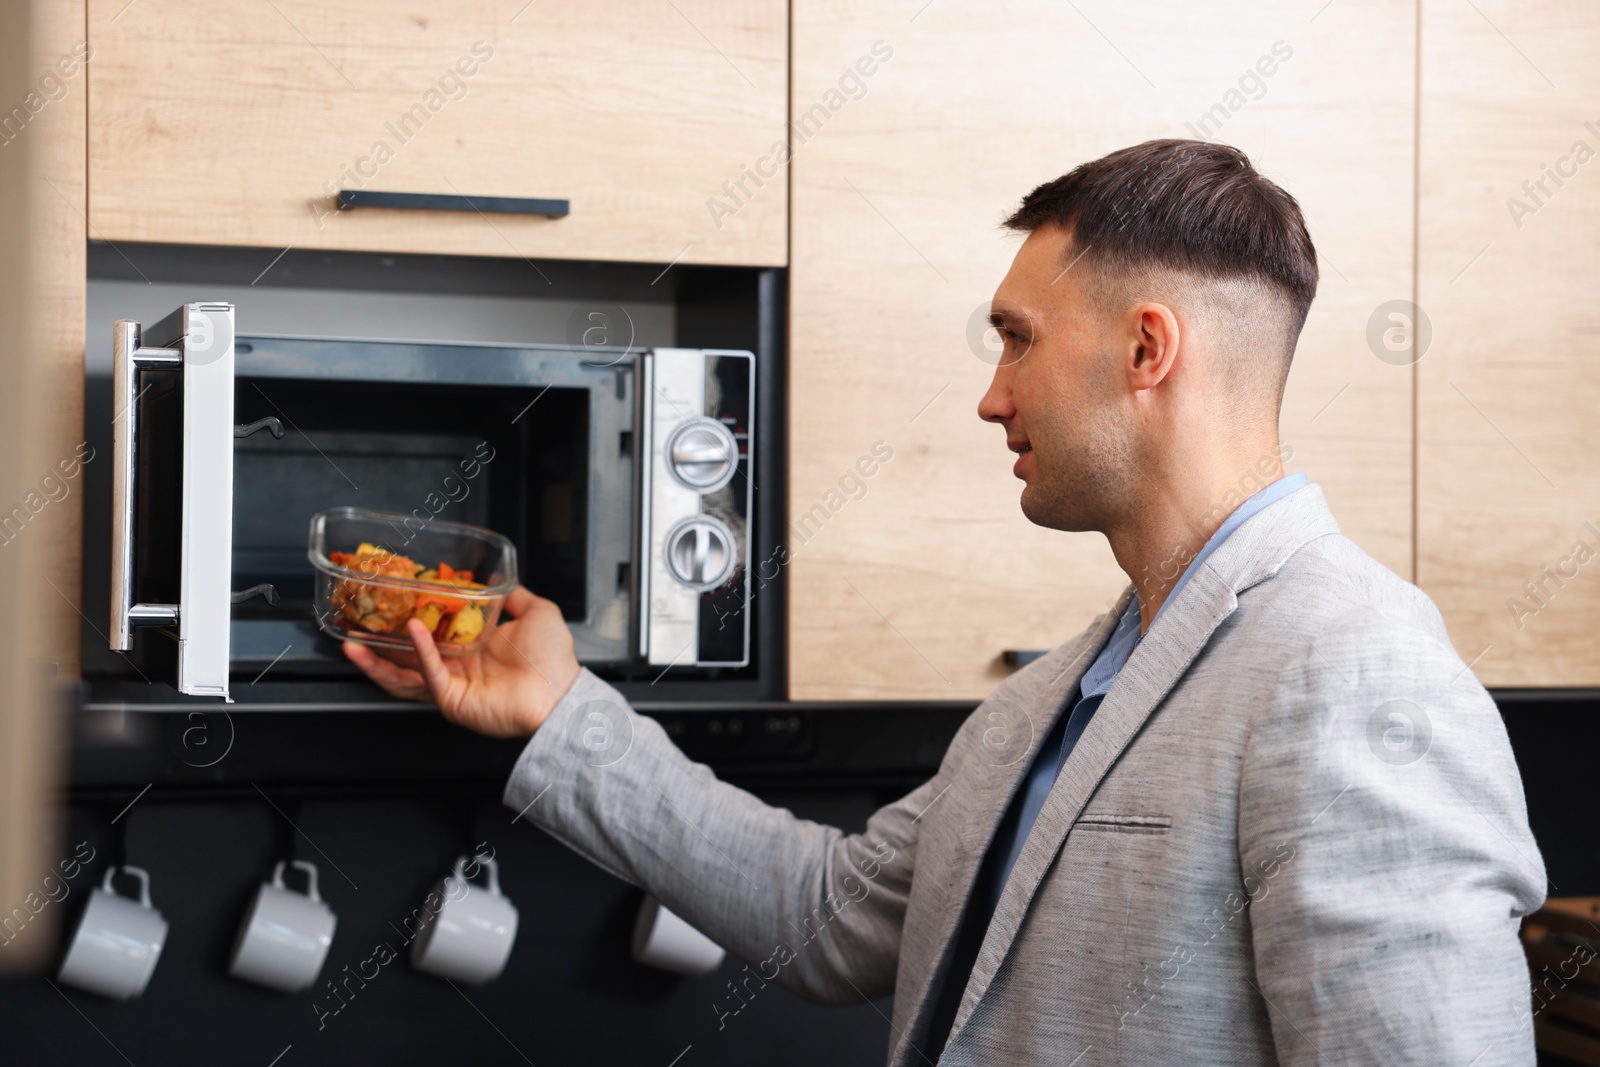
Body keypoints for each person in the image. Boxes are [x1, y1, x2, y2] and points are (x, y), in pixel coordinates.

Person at [344, 139, 1546, 1066]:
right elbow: (831, 914)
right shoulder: (1056, 693)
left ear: (1146, 350)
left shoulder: (1355, 669)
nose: (990, 395)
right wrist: (559, 711)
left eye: (1016, 340)